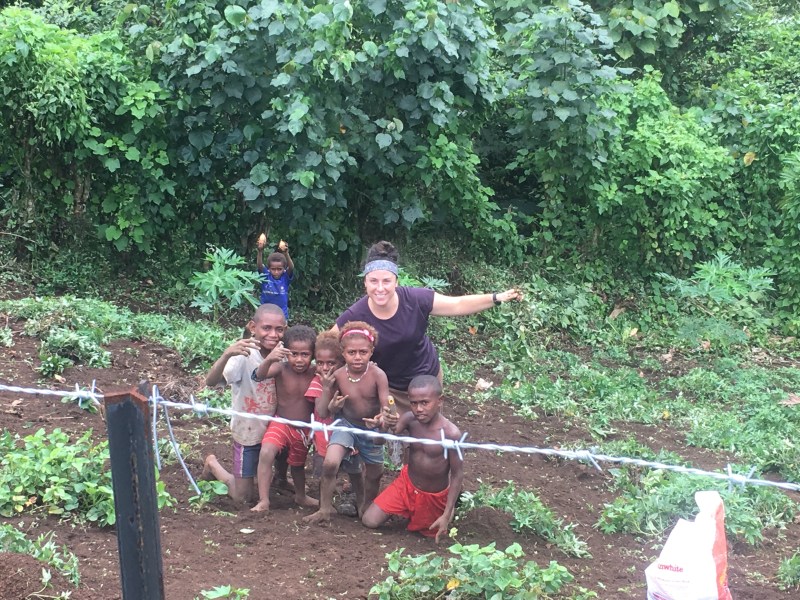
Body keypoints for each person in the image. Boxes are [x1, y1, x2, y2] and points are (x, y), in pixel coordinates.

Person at [334, 241, 521, 414]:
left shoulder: (416, 299)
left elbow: (457, 304)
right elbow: (326, 342)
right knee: (394, 439)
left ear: (396, 282)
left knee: (426, 441)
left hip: (425, 380)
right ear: (365, 282)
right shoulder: (356, 314)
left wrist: (496, 298)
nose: (380, 288)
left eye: (387, 281)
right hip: (388, 388)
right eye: (373, 281)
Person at [304, 322, 397, 524]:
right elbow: (323, 412)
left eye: (363, 352)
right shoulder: (337, 375)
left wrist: (382, 418)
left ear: (371, 352)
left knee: (375, 473)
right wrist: (329, 395)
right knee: (330, 463)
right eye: (351, 352)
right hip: (346, 424)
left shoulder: (377, 375)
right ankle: (325, 509)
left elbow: (385, 406)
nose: (357, 357)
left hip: (369, 428)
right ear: (343, 353)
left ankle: (366, 507)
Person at [362, 375, 463, 542]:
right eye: (414, 403)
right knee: (369, 520)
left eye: (425, 402)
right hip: (407, 485)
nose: (419, 409)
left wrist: (446, 514)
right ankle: (409, 508)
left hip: (433, 495)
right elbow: (379, 441)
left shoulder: (451, 434)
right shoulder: (410, 419)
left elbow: (457, 474)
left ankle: (448, 510)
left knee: (430, 536)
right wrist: (384, 425)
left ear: (440, 400)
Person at [200, 304, 285, 504]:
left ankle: (280, 477)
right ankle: (212, 464)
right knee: (242, 497)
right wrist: (227, 354)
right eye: (266, 328)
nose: (273, 334)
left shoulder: (285, 352)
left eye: (279, 329)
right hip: (247, 431)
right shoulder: (243, 354)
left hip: (275, 429)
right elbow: (211, 382)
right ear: (252, 327)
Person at [251, 325, 319, 513]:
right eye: (294, 354)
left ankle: (300, 496)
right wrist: (270, 358)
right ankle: (264, 500)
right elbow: (259, 375)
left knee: (298, 465)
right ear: (285, 353)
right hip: (280, 423)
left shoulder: (315, 372)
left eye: (304, 354)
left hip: (303, 429)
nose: (298, 359)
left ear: (313, 354)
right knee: (266, 453)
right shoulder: (281, 368)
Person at [306, 331, 364, 515]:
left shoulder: (348, 380)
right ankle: (326, 507)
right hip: (325, 437)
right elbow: (322, 411)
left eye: (331, 363)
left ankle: (362, 504)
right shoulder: (317, 383)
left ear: (342, 362)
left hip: (350, 434)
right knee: (328, 469)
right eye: (320, 363)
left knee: (355, 472)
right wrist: (326, 390)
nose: (325, 368)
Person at [257, 235, 294, 320]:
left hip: (281, 315)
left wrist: (286, 253)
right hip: (265, 313)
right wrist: (260, 251)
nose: (276, 272)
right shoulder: (266, 276)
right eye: (273, 269)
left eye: (279, 269)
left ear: (284, 269)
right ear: (269, 269)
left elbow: (291, 267)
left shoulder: (285, 277)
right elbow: (259, 266)